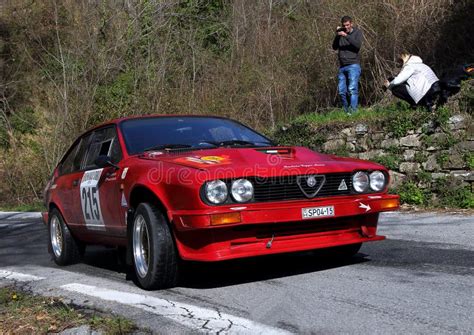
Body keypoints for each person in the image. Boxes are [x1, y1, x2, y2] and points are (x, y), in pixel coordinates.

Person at [332, 15, 363, 114]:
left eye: (348, 25)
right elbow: (334, 47)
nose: (346, 27)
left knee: (352, 89)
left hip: (353, 65)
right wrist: (338, 35)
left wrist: (346, 36)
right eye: (344, 25)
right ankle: (346, 112)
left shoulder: (357, 33)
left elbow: (357, 45)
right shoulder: (341, 34)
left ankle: (353, 111)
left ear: (351, 24)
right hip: (342, 67)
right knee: (341, 91)